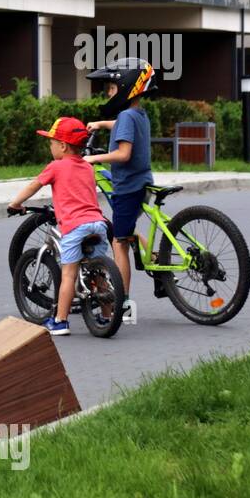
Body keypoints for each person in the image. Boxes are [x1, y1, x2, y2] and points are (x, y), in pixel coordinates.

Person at [8, 117, 111, 336]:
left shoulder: (56, 166)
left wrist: (15, 203)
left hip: (75, 226)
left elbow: (34, 185)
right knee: (99, 271)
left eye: (52, 143)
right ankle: (106, 315)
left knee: (68, 275)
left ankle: (60, 321)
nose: (50, 146)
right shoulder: (87, 167)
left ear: (63, 146)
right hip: (98, 224)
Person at [84, 58, 156, 313]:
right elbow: (121, 126)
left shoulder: (126, 114)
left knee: (119, 241)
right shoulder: (137, 113)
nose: (108, 93)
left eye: (111, 89)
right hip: (143, 182)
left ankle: (123, 300)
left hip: (129, 187)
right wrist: (102, 124)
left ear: (125, 87)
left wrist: (94, 157)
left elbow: (123, 154)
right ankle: (157, 257)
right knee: (127, 227)